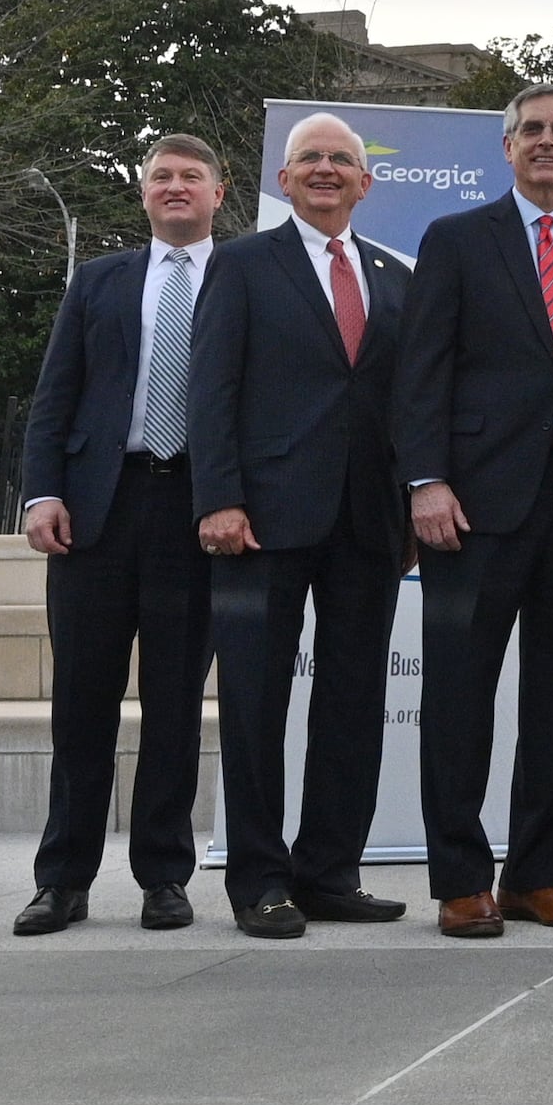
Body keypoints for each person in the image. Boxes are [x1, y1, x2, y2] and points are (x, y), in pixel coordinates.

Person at [393, 82, 553, 939]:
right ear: (507, 148)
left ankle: (539, 876)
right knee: (459, 698)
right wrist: (425, 480)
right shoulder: (457, 240)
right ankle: (461, 880)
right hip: (471, 508)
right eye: (531, 129)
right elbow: (421, 368)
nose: (546, 140)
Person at [191, 112, 416, 940]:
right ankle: (259, 881)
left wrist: (413, 502)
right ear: (283, 180)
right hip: (260, 521)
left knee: (354, 701)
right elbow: (211, 386)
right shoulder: (244, 264)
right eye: (309, 158)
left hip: (368, 522)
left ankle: (329, 873)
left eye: (341, 160)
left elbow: (411, 401)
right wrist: (218, 498)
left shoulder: (396, 277)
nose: (326, 169)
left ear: (366, 181)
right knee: (256, 703)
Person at [10, 132, 228, 937]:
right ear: (144, 193)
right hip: (94, 515)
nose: (176, 187)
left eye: (191, 176)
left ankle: (164, 877)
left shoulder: (243, 280)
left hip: (196, 514)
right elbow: (54, 396)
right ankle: (62, 880)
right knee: (81, 703)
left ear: (217, 193)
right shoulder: (99, 281)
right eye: (161, 176)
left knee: (175, 705)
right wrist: (42, 493)